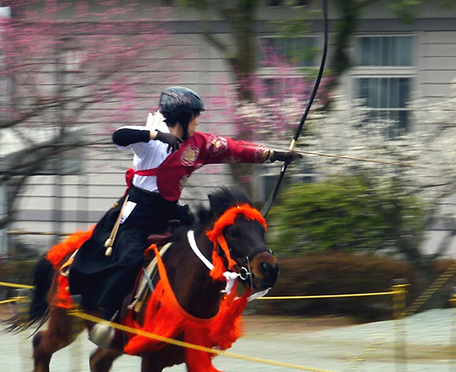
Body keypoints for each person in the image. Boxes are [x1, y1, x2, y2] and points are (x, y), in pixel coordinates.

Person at [68, 86, 300, 348]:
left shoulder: (200, 144)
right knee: (130, 259)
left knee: (210, 249)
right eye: (194, 117)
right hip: (138, 213)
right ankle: (108, 319)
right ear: (182, 116)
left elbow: (235, 148)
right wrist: (156, 135)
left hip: (171, 212)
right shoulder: (150, 142)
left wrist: (275, 155)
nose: (198, 121)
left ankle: (215, 307)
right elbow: (118, 135)